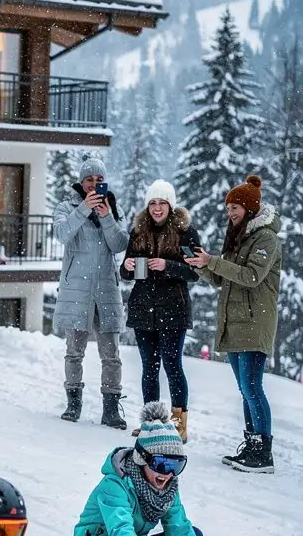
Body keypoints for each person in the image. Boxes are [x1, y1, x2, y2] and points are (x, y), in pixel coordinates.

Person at [72, 402, 218, 536]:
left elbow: (180, 530)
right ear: (142, 458)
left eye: (176, 465)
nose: (168, 473)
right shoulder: (114, 484)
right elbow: (120, 530)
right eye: (161, 464)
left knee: (194, 534)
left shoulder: (168, 489)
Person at [186, 174, 281, 473]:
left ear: (250, 208)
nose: (231, 213)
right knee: (245, 389)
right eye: (228, 208)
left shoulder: (266, 238)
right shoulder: (239, 238)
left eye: (235, 208)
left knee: (252, 387)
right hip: (236, 322)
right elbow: (221, 279)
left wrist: (213, 261)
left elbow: (251, 276)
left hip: (255, 321)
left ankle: (263, 453)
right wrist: (202, 266)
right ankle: (252, 445)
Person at [52, 154, 129, 428]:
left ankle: (111, 409)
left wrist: (107, 218)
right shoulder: (66, 206)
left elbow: (120, 244)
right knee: (74, 351)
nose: (94, 184)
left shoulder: (114, 208)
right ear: (81, 182)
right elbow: (61, 234)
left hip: (106, 289)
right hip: (77, 290)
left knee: (112, 355)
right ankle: (73, 404)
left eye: (99, 179)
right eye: (89, 179)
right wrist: (84, 208)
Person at [121, 180, 199, 442]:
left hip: (173, 310)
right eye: (152, 203)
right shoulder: (138, 231)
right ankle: (151, 422)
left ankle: (179, 425)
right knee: (149, 368)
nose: (156, 208)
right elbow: (125, 271)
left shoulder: (185, 232)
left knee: (173, 366)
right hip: (143, 309)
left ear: (170, 205)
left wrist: (168, 266)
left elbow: (194, 271)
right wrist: (127, 266)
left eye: (162, 203)